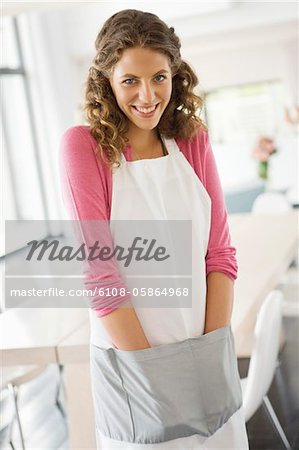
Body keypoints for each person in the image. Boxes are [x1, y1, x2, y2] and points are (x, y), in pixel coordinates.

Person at [60, 9, 249, 449]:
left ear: (175, 75)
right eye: (130, 81)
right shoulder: (83, 148)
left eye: (159, 77)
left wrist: (206, 359)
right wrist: (156, 377)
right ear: (107, 80)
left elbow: (219, 254)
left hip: (205, 355)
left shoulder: (192, 138)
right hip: (133, 368)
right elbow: (100, 278)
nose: (148, 95)